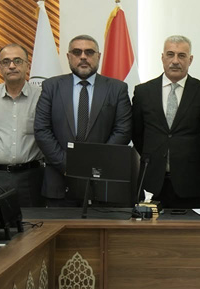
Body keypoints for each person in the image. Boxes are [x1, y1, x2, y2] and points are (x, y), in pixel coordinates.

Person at [34, 34, 132, 206]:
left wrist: (95, 164)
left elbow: (123, 131)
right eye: (77, 52)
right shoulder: (51, 86)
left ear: (98, 56)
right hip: (59, 181)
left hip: (102, 182)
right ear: (68, 56)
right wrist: (67, 165)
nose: (83, 57)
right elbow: (42, 130)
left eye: (89, 52)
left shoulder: (117, 89)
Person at [132, 36, 200, 208]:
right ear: (162, 58)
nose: (175, 61)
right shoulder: (143, 92)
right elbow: (137, 134)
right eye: (170, 54)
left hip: (191, 183)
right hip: (151, 181)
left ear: (190, 60)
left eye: (181, 55)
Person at [0, 43, 44, 207]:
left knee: (33, 222)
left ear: (27, 66)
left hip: (31, 176)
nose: (12, 66)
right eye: (6, 62)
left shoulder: (42, 97)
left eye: (17, 61)